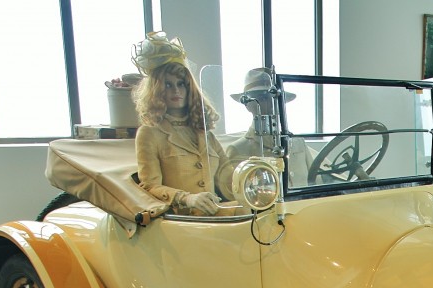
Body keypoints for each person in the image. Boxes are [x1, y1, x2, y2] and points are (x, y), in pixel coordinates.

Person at [131, 32, 227, 215]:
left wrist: (251, 175)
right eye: (168, 85)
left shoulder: (204, 132)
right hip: (181, 222)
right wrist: (186, 198)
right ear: (157, 90)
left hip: (215, 217)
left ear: (189, 87)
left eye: (181, 83)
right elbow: (149, 186)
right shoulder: (149, 133)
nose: (176, 90)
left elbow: (227, 174)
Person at [223, 68, 317, 188]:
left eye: (275, 98)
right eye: (262, 98)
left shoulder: (297, 142)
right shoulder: (238, 149)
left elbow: (315, 181)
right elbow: (238, 194)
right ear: (248, 105)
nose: (271, 103)